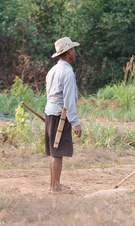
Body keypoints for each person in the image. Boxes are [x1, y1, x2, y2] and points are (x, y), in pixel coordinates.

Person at [44, 37, 82, 194]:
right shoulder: (67, 72)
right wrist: (75, 122)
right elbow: (68, 100)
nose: (75, 52)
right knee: (57, 152)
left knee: (55, 151)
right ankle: (55, 187)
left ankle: (54, 184)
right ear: (69, 52)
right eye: (73, 49)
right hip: (60, 115)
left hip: (50, 112)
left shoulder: (53, 70)